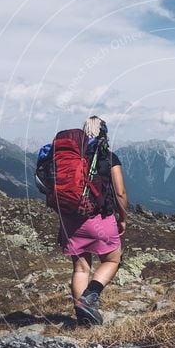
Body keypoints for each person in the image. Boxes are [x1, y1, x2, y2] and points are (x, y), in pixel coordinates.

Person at [57, 116, 128, 326]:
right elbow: (120, 193)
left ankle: (84, 319)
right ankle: (90, 297)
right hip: (99, 218)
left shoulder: (68, 158)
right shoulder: (109, 157)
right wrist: (123, 218)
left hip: (70, 220)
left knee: (80, 269)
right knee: (112, 259)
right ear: (104, 133)